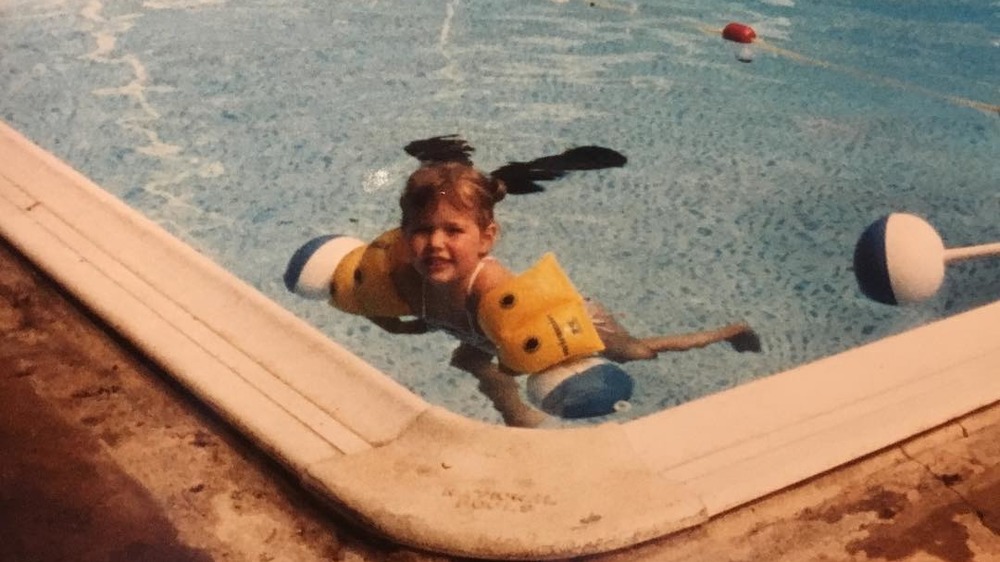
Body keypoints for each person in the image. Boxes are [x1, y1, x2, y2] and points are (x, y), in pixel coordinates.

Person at [366, 161, 760, 427]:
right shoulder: (406, 275)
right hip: (488, 335)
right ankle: (520, 419)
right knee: (467, 358)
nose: (435, 243)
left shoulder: (490, 286)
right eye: (421, 231)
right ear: (404, 236)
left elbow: (524, 343)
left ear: (486, 239)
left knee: (636, 352)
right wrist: (400, 327)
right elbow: (406, 310)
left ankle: (728, 332)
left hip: (569, 323)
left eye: (453, 231)